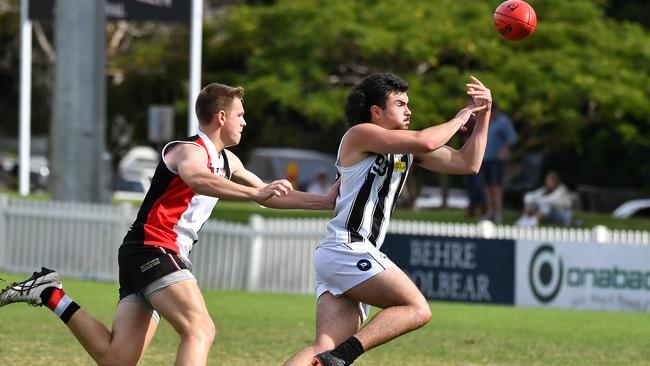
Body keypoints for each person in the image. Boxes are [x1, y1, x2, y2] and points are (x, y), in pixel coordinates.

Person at [0, 83, 339, 365]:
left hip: (143, 254)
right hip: (155, 248)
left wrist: (325, 202)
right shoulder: (188, 151)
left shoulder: (227, 160)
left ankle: (50, 293)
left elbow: (269, 196)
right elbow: (199, 179)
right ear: (221, 117)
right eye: (240, 115)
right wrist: (258, 191)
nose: (244, 122)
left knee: (117, 359)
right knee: (200, 329)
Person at [284, 73, 492, 366]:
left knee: (323, 346)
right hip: (348, 247)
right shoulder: (360, 134)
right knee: (417, 308)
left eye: (409, 104)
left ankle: (334, 357)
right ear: (376, 111)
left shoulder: (406, 148)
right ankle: (341, 358)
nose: (409, 110)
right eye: (400, 103)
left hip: (343, 254)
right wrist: (461, 118)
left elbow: (468, 163)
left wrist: (484, 114)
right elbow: (426, 139)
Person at [480, 102, 517, 224]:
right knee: (486, 187)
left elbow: (512, 138)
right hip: (483, 159)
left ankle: (498, 213)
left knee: (496, 187)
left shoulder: (503, 121)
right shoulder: (484, 120)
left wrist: (504, 150)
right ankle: (490, 211)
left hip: (496, 160)